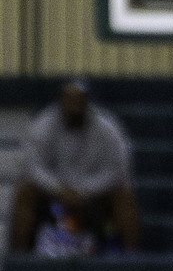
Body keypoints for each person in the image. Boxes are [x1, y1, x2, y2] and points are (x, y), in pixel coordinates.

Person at [8, 79, 139, 254]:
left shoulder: (107, 128)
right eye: (69, 99)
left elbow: (118, 168)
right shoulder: (44, 125)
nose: (74, 105)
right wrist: (59, 189)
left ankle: (130, 258)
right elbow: (32, 166)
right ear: (61, 100)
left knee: (125, 194)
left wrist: (85, 191)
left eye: (79, 100)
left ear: (88, 101)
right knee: (25, 191)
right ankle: (19, 259)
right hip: (53, 195)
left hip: (95, 196)